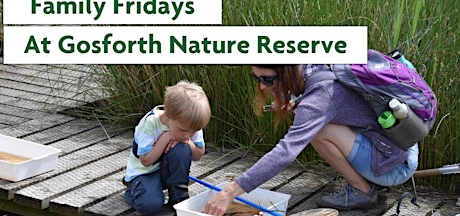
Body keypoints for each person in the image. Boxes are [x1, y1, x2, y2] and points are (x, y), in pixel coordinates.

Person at [204, 65, 418, 215]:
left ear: (286, 71)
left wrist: (230, 191)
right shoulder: (315, 63)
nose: (261, 86)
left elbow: (285, 152)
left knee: (318, 131)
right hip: (403, 142)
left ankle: (363, 190)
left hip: (394, 164)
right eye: (257, 78)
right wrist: (301, 105)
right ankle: (367, 180)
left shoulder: (321, 95)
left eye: (267, 79)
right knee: (315, 124)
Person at [123, 80, 211, 215]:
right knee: (151, 206)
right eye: (183, 130)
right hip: (145, 173)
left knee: (182, 148)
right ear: (168, 116)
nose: (188, 135)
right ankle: (132, 191)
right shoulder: (150, 123)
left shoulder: (190, 124)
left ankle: (178, 195)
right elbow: (145, 161)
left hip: (166, 171)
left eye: (193, 131)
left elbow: (198, 154)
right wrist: (167, 137)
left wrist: (187, 143)